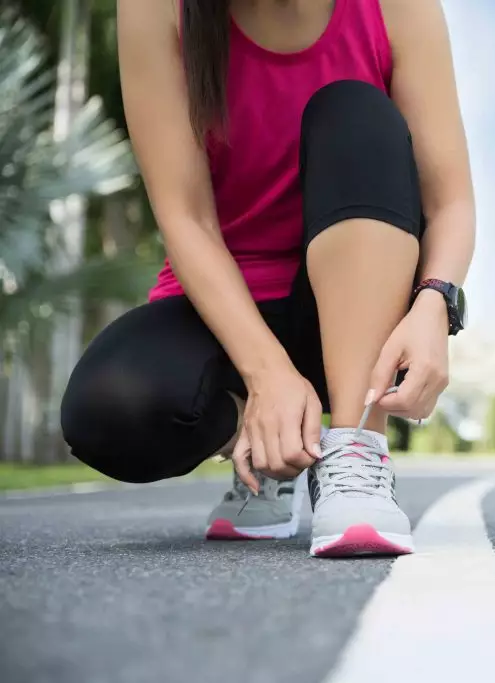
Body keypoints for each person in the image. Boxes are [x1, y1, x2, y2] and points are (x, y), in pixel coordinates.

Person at [59, 0, 474, 558]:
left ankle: (356, 451)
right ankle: (271, 448)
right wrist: (267, 374)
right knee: (108, 408)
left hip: (357, 297)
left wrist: (435, 302)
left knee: (354, 111)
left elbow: (450, 205)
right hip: (228, 308)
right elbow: (186, 218)